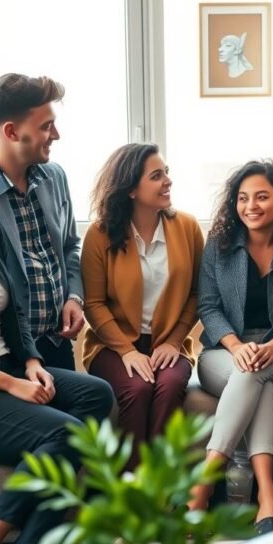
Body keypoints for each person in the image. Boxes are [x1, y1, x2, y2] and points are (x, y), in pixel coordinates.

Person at [0, 130, 113, 544]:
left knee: (96, 395)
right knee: (67, 435)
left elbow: (16, 308)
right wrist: (8, 384)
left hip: (7, 365)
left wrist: (33, 361)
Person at [190, 160, 273, 532]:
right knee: (249, 374)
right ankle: (267, 495)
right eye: (243, 198)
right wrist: (235, 346)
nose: (251, 206)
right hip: (222, 353)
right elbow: (209, 307)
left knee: (254, 373)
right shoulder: (219, 244)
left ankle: (201, 486)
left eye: (262, 197)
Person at [81, 143, 204, 468]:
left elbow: (197, 294)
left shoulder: (188, 228)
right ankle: (132, 494)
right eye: (157, 176)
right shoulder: (99, 234)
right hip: (112, 347)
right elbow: (93, 304)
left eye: (167, 173)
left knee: (170, 385)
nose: (168, 181)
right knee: (137, 389)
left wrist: (175, 341)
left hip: (169, 343)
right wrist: (127, 351)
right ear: (131, 188)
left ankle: (161, 491)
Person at [0, 73, 84, 370]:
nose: (56, 135)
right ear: (11, 132)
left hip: (57, 343)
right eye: (46, 126)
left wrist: (74, 297)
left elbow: (70, 246)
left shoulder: (55, 176)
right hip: (6, 354)